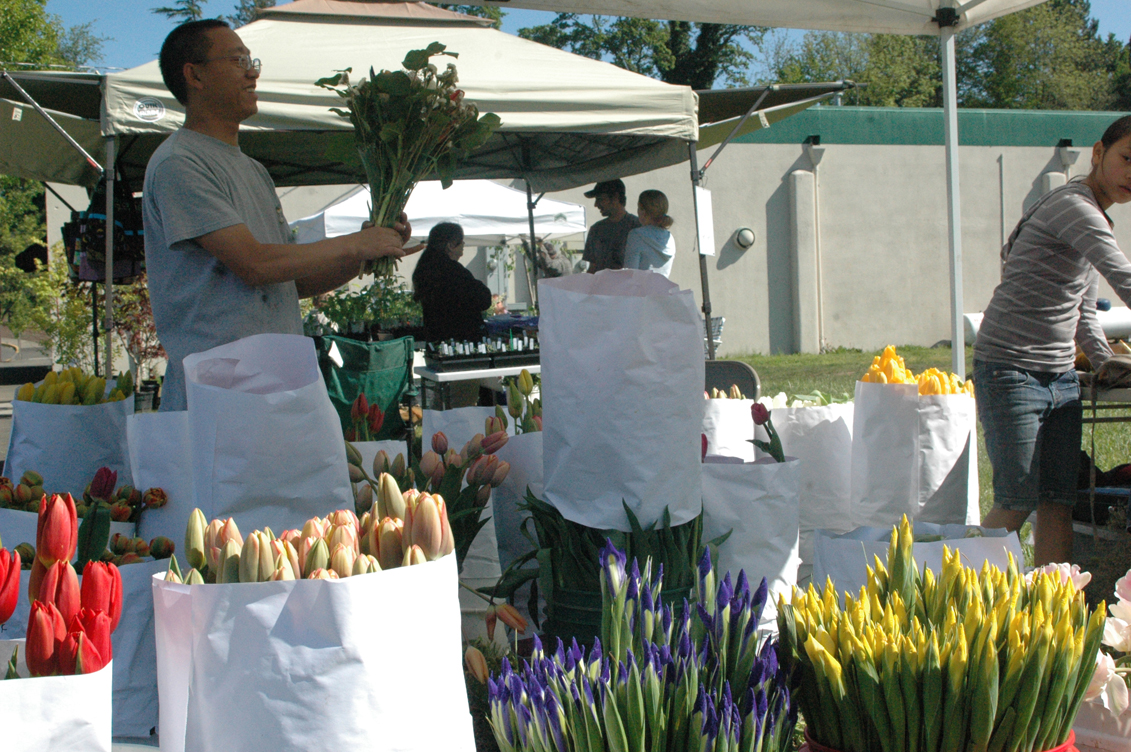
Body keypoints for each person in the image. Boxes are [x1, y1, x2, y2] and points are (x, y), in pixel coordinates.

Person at [143, 19, 420, 411]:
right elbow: (254, 264)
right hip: (220, 390)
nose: (252, 71)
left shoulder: (253, 170)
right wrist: (356, 242)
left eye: (252, 60)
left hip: (277, 383)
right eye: (238, 60)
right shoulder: (180, 162)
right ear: (195, 75)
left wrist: (364, 253)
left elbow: (295, 280)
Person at [974, 114, 1131, 566]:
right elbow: (1123, 276)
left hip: (1060, 377)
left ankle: (1055, 609)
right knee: (1016, 499)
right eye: (1127, 158)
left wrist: (1104, 361)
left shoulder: (1094, 219)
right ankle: (953, 604)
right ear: (1098, 153)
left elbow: (1083, 311)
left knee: (1059, 500)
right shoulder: (1075, 207)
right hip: (1009, 369)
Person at [412, 222, 492, 343]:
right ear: (450, 245)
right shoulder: (453, 272)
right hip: (461, 342)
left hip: (436, 339)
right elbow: (483, 299)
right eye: (461, 241)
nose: (463, 245)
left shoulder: (426, 269)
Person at [580, 179, 641, 273]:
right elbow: (593, 268)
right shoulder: (595, 230)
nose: (596, 205)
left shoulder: (638, 227)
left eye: (600, 199)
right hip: (602, 287)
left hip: (629, 287)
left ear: (615, 197)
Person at [623, 189, 675, 278]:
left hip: (641, 291)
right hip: (663, 291)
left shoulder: (636, 235)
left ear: (643, 212)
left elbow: (629, 274)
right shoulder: (670, 238)